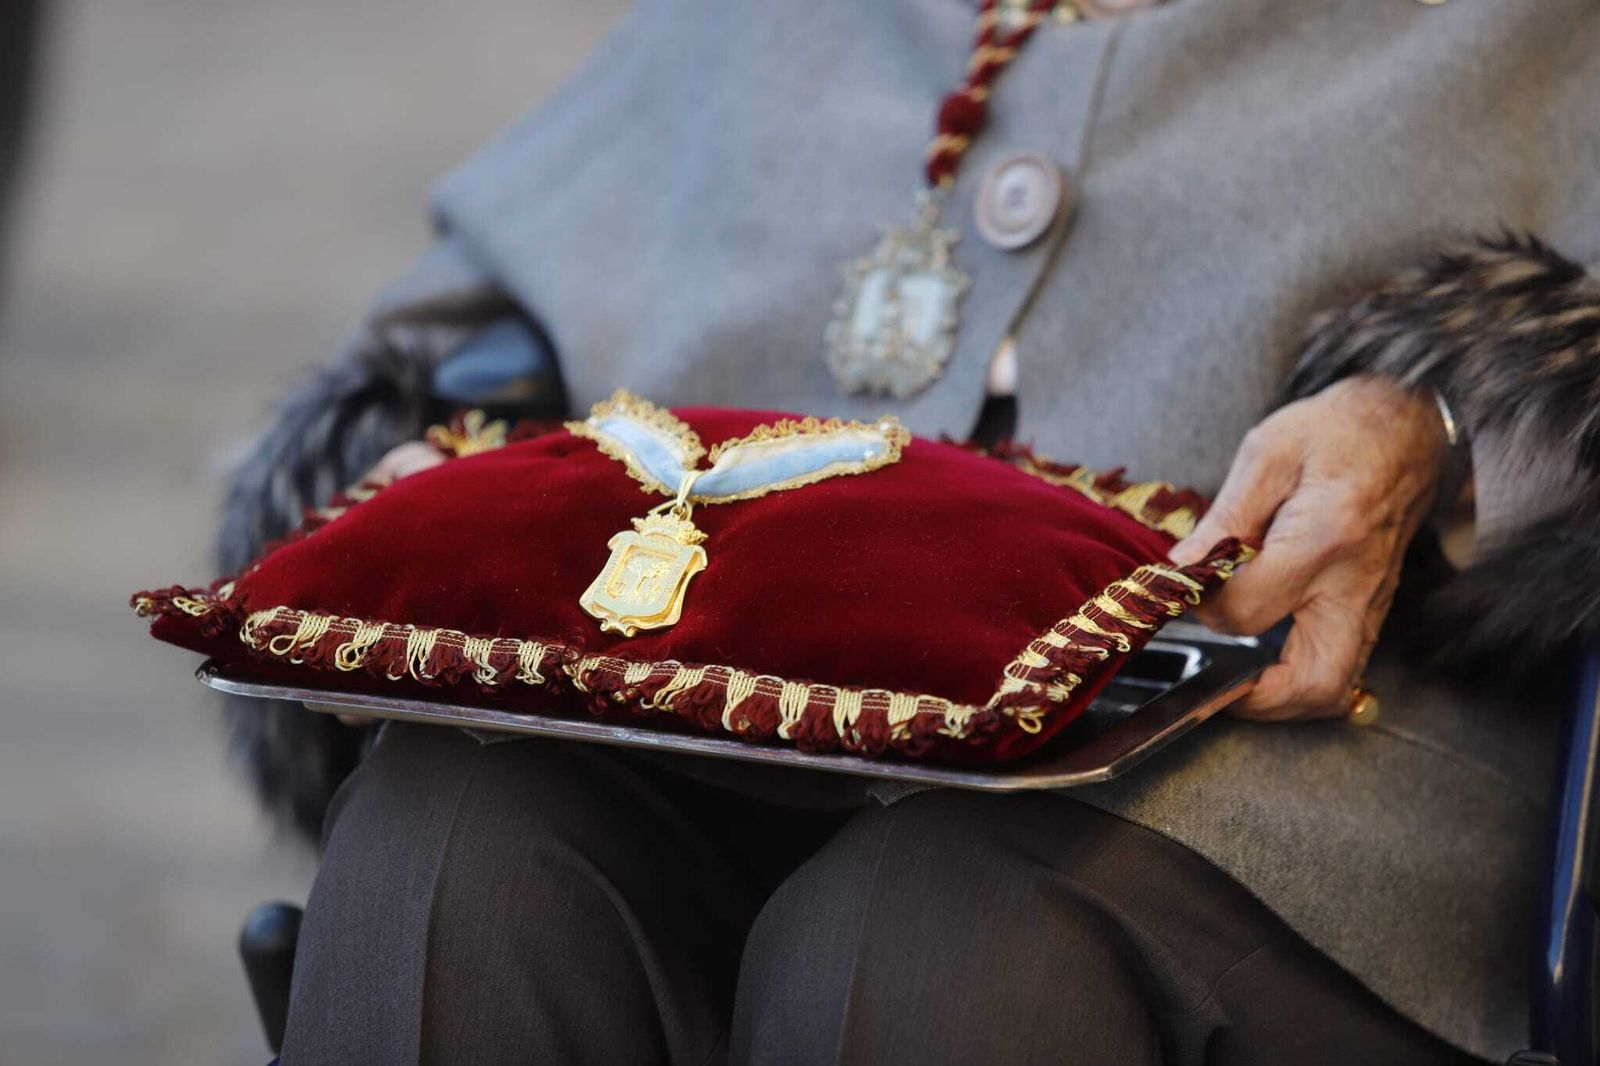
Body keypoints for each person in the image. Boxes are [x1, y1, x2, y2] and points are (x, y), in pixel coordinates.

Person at [221, 1, 1600, 1062]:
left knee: (929, 936)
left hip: (1283, 792)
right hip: (705, 706)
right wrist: (429, 492)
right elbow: (443, 344)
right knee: (450, 834)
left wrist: (1456, 423)